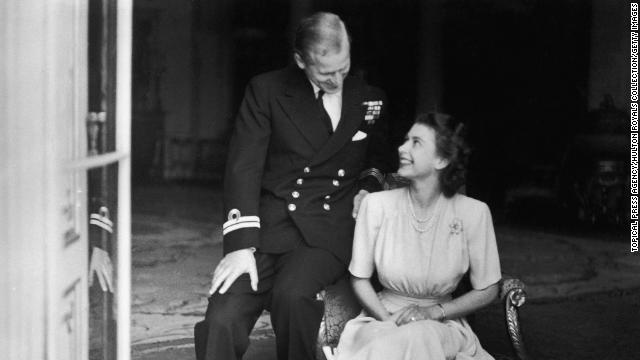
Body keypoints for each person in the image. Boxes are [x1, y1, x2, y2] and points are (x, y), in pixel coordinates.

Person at [194, 12, 391, 360]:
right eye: (325, 72)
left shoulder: (368, 97)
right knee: (221, 318)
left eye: (342, 70)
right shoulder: (266, 90)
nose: (336, 80)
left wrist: (368, 187)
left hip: (327, 232)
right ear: (300, 60)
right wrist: (240, 247)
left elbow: (377, 157)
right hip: (267, 229)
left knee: (293, 298)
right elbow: (244, 167)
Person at [333, 113, 501, 360]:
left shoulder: (474, 213)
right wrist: (388, 320)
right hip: (381, 320)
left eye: (416, 142)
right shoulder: (375, 205)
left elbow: (488, 289)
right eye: (405, 140)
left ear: (442, 159)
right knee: (396, 341)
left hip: (443, 325)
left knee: (421, 335)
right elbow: (359, 278)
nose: (402, 147)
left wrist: (435, 312)